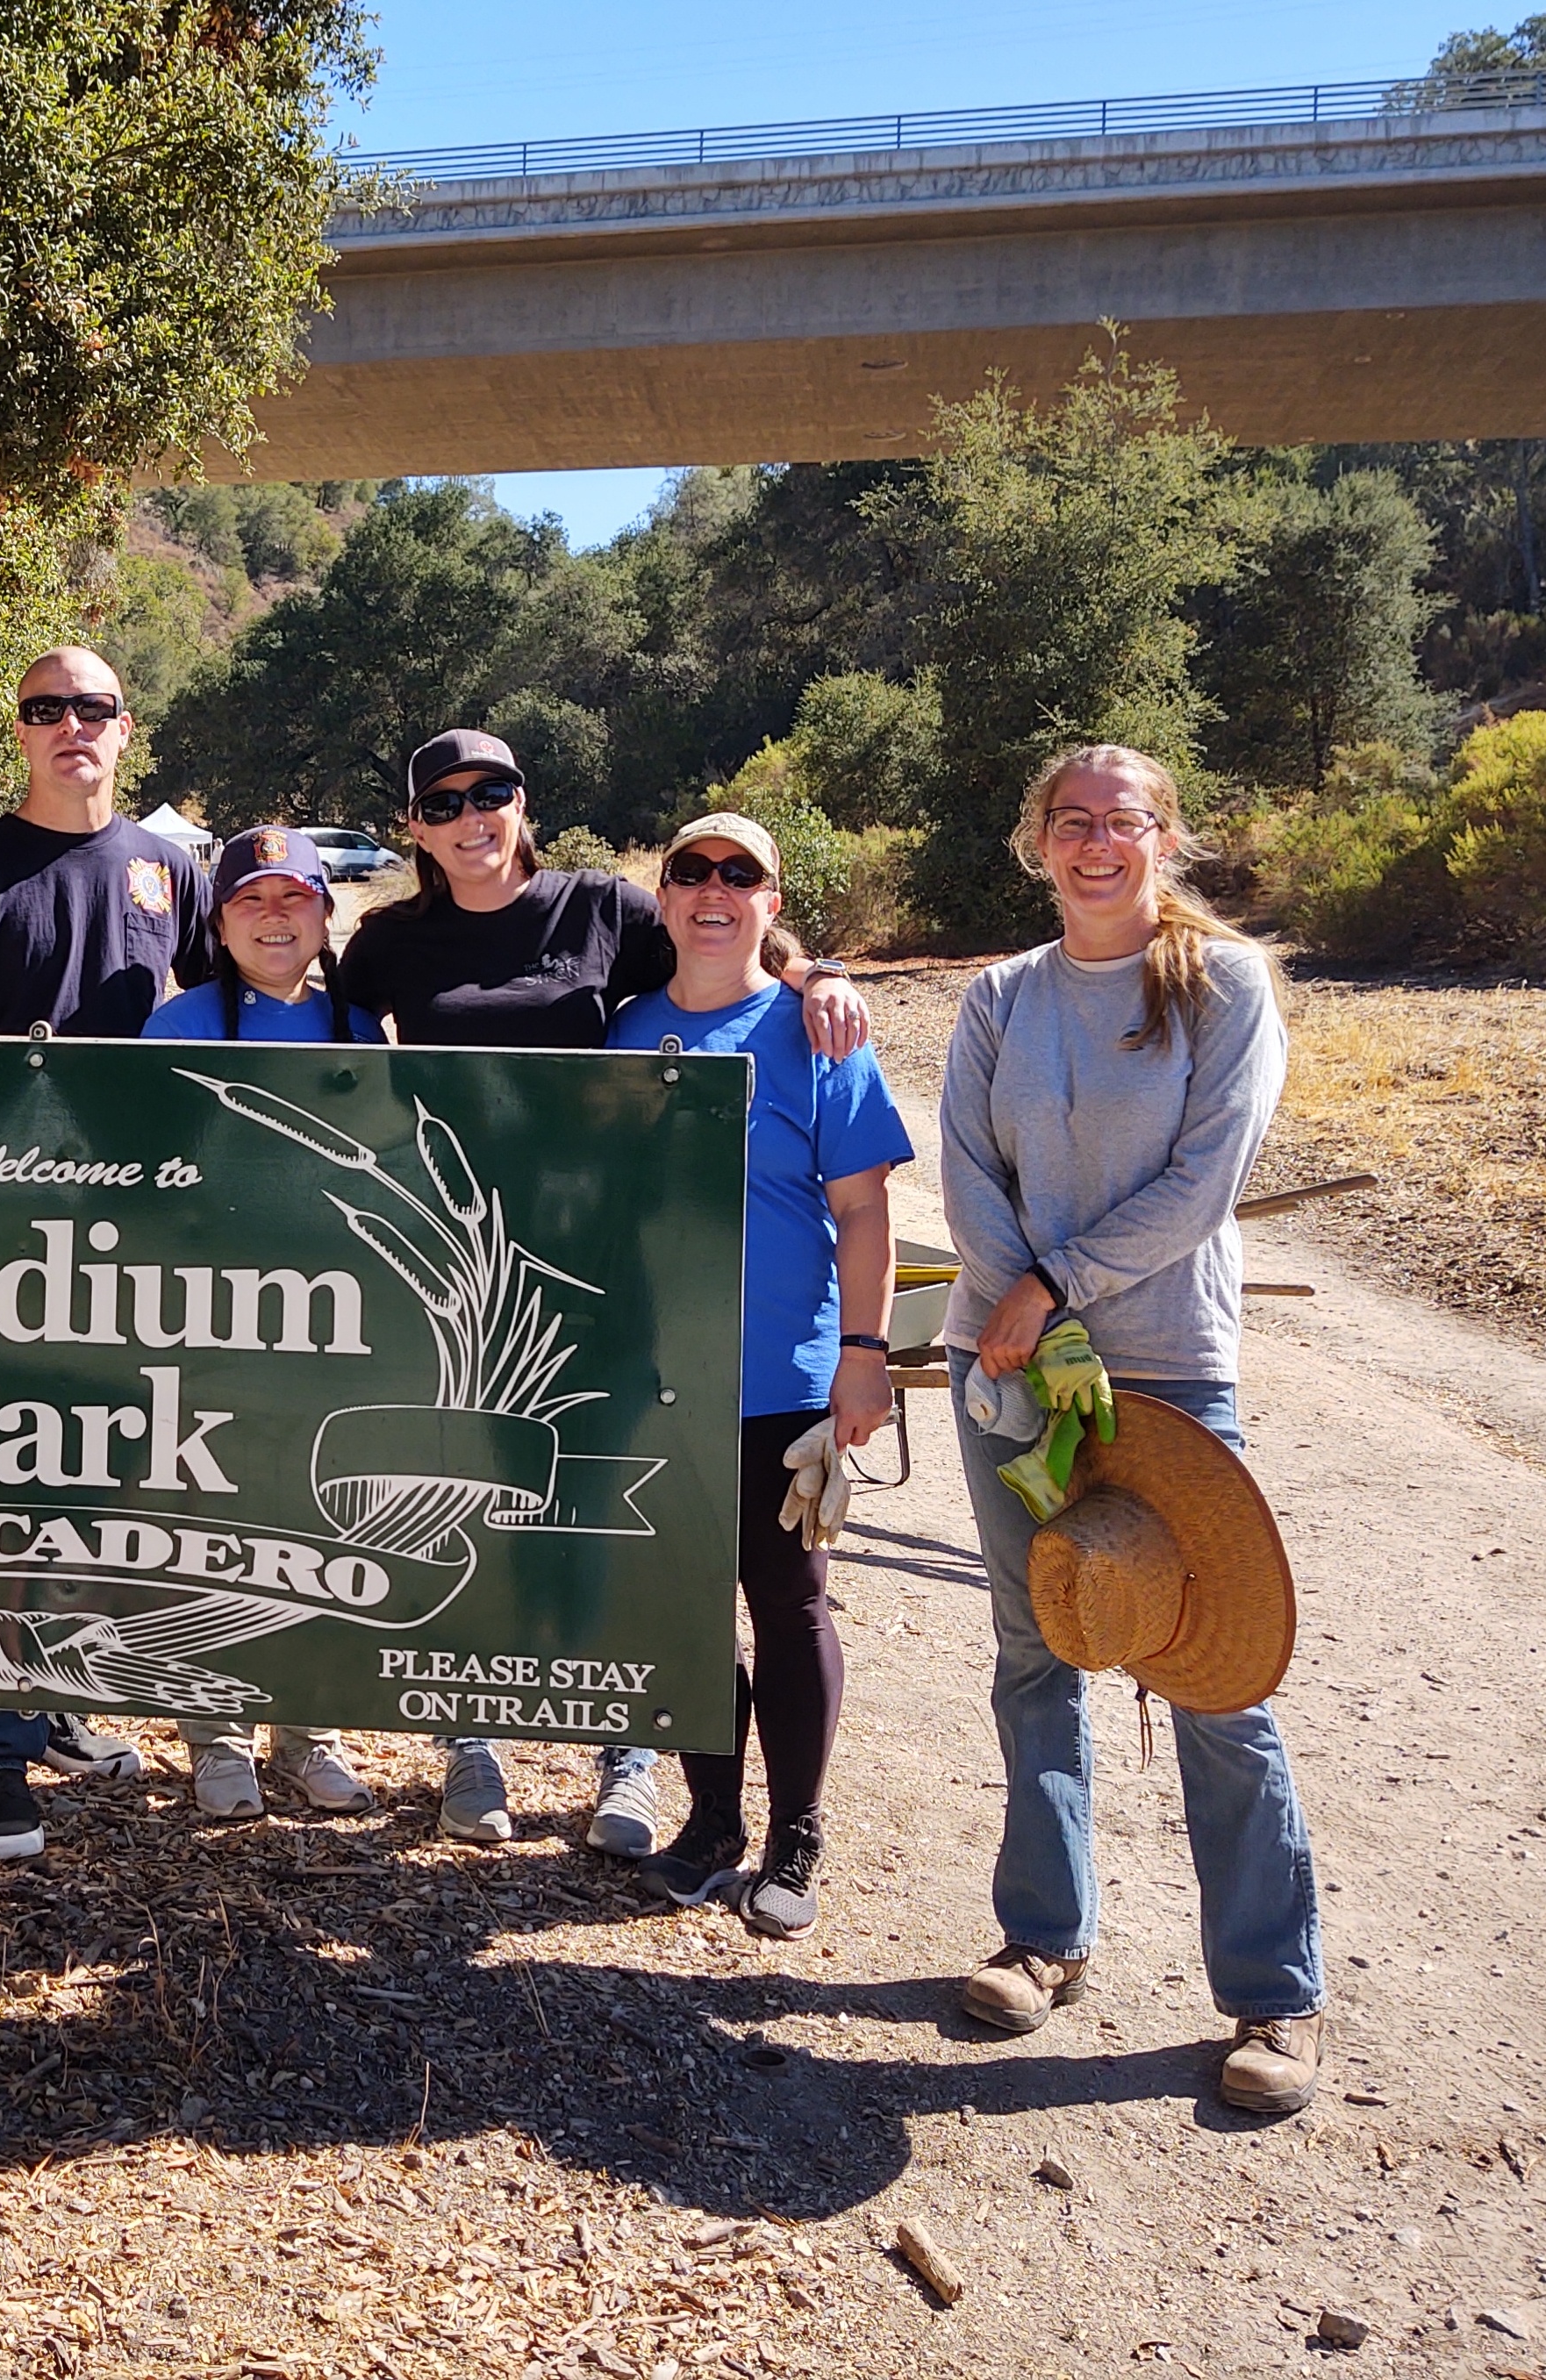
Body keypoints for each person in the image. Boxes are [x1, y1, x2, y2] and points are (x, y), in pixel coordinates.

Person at [335, 728, 874, 1848]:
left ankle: (626, 1756)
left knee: (618, 1528)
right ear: (416, 827)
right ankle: (471, 1736)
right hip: (468, 1272)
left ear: (525, 803)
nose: (472, 815)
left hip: (616, 1275)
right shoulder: (387, 944)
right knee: (472, 1508)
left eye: (494, 793)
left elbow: (725, 954)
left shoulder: (602, 910)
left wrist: (821, 977)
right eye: (445, 801)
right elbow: (334, 1067)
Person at [937, 742, 1325, 2114]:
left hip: (1163, 1375)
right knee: (1036, 1647)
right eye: (1070, 821)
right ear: (1035, 841)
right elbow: (969, 1178)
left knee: (1218, 1681)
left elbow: (1204, 1180)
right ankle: (1042, 1939)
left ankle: (1273, 1996)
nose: (1095, 843)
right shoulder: (998, 995)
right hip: (1006, 1369)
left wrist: (1057, 1286)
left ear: (1164, 837)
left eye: (1123, 821)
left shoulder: (1222, 986)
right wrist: (1019, 1304)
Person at [0, 645, 211, 1860]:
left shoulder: (169, 872)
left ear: (126, 728)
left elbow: (220, 1037)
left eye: (90, 707)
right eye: (44, 709)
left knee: (94, 1486)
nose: (68, 725)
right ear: (19, 732)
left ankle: (56, 1697)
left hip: (139, 1243)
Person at [600, 812, 911, 1938]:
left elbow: (865, 1209)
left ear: (774, 903)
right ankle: (714, 1820)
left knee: (786, 1603)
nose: (715, 890)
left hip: (782, 1372)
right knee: (678, 1611)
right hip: (651, 1373)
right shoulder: (625, 1029)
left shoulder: (817, 1033)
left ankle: (797, 1835)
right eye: (692, 872)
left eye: (744, 875)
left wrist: (864, 1358)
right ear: (665, 896)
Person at [140, 824, 383, 1821]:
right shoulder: (178, 1025)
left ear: (327, 914)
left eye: (295, 898)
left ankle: (307, 1727)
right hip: (208, 1317)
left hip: (329, 1322)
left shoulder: (361, 1028)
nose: (275, 917)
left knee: (312, 1519)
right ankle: (216, 1733)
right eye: (252, 900)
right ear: (219, 920)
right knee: (210, 1525)